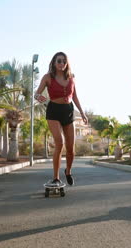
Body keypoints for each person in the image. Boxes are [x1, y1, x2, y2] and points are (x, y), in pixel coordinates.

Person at [35, 52, 88, 187]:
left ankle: (68, 171)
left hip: (69, 112)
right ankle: (56, 177)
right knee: (60, 143)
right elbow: (37, 93)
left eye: (64, 61)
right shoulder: (47, 77)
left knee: (71, 149)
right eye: (59, 61)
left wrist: (82, 113)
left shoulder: (71, 77)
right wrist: (38, 97)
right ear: (54, 62)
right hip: (54, 111)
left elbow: (75, 96)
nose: (61, 63)